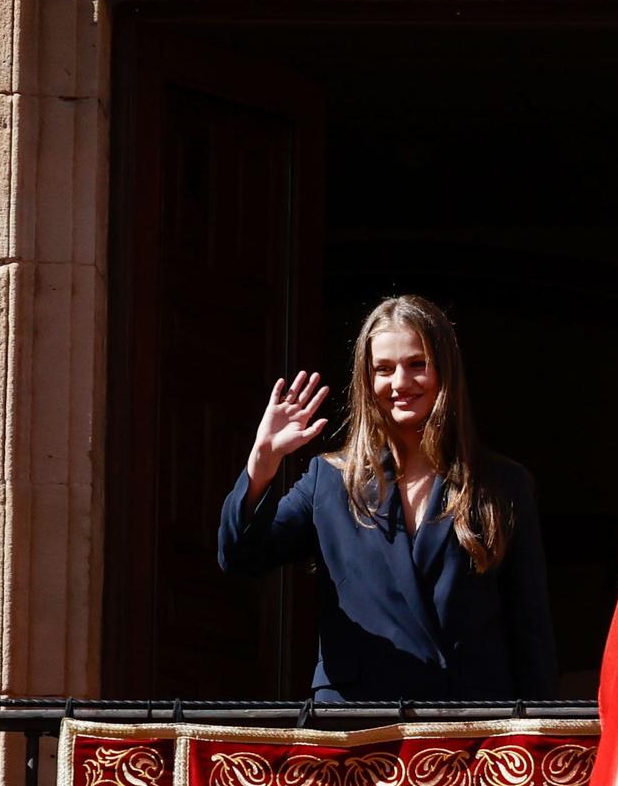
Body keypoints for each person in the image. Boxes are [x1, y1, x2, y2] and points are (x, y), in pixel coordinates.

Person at [218, 294, 559, 704]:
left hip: (467, 719)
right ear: (367, 380)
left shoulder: (502, 484)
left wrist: (538, 729)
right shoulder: (331, 480)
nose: (400, 383)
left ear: (445, 370)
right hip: (360, 721)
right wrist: (263, 460)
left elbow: (530, 629)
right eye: (384, 369)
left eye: (417, 364)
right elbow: (240, 556)